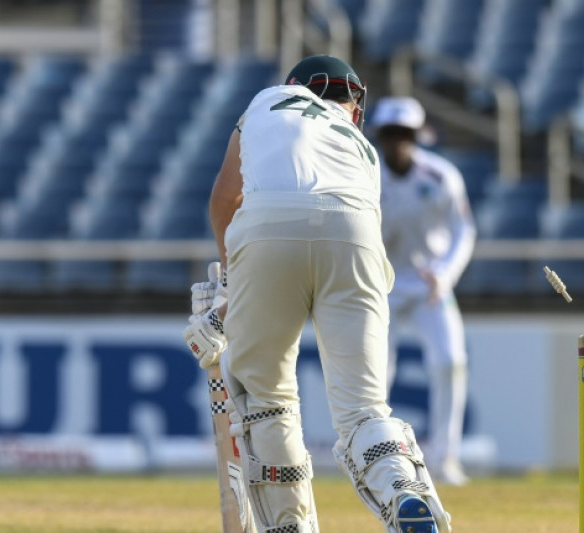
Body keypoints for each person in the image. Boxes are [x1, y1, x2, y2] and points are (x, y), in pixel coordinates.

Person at [182, 55, 452, 533]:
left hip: (266, 230)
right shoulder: (361, 146)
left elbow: (226, 198)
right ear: (351, 104)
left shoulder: (267, 102)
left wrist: (229, 288)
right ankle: (401, 489)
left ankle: (289, 525)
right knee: (365, 407)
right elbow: (329, 228)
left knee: (266, 398)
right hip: (356, 235)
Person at [371, 97, 476, 486]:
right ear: (380, 137)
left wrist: (446, 273)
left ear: (418, 136)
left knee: (450, 361)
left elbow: (464, 230)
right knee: (376, 374)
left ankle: (444, 458)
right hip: (381, 286)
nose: (399, 142)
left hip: (430, 285)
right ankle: (375, 458)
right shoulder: (365, 175)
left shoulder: (440, 175)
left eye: (406, 134)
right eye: (391, 134)